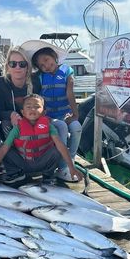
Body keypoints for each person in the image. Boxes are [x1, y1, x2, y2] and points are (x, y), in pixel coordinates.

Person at [0, 94, 83, 185]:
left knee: (57, 149)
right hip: (23, 163)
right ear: (23, 112)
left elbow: (61, 145)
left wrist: (71, 167)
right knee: (6, 149)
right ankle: (16, 174)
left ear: (44, 112)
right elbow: (4, 148)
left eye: (37, 107)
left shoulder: (49, 126)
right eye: (28, 107)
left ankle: (47, 176)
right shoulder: (17, 128)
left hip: (43, 162)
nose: (32, 109)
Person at [28, 42, 82, 182]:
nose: (46, 66)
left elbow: (70, 94)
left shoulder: (67, 71)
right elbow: (36, 99)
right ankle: (62, 168)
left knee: (76, 127)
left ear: (54, 56)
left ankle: (71, 160)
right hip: (49, 116)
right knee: (62, 127)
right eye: (42, 65)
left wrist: (75, 115)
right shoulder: (38, 78)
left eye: (46, 60)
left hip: (65, 114)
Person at [0, 46, 35, 139]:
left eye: (22, 64)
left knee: (59, 125)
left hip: (32, 121)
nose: (18, 67)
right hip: (10, 125)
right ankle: (12, 151)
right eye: (13, 64)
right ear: (8, 66)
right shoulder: (0, 83)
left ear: (28, 67)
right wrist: (11, 114)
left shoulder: (35, 81)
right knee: (5, 123)